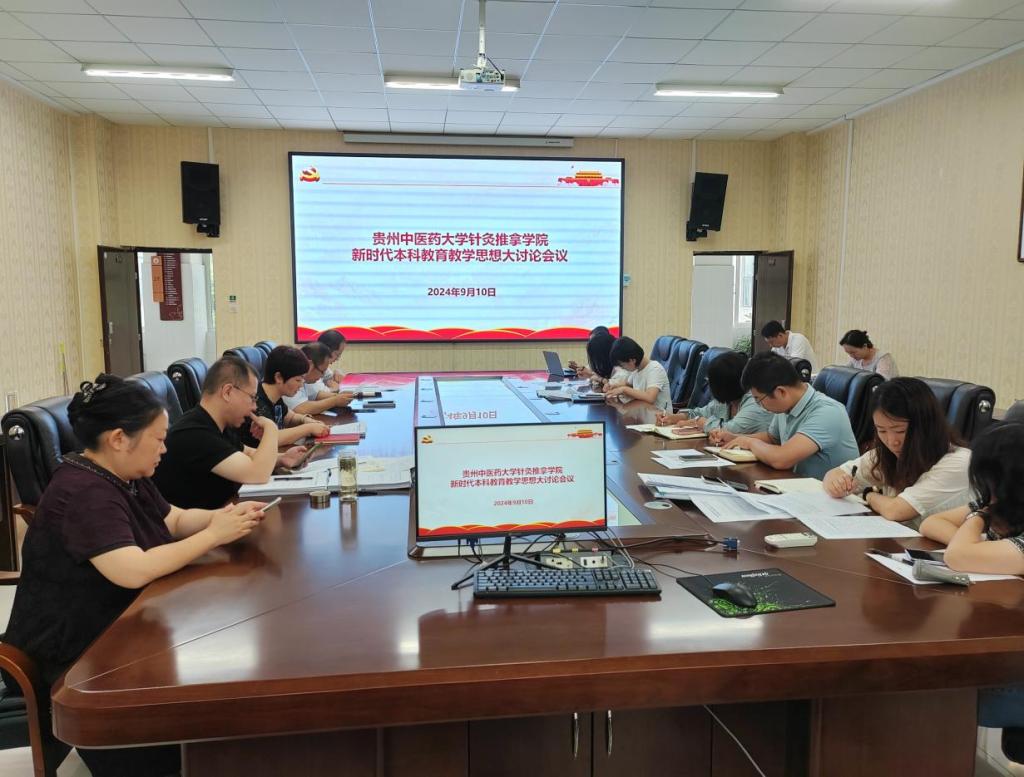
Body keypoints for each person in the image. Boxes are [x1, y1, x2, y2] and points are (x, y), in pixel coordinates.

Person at [1, 375, 268, 776]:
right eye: (158, 439)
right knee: (202, 742)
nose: (165, 448)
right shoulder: (83, 491)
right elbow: (132, 569)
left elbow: (173, 519)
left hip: (124, 629)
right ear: (118, 439)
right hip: (80, 661)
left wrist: (221, 517)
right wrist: (214, 536)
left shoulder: (124, 474)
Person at [919, 424, 1024, 742]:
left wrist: (978, 523)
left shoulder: (994, 508)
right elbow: (930, 523)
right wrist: (978, 545)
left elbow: (957, 555)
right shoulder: (1008, 507)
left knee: (933, 690)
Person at [154, 356, 311, 509]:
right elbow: (257, 474)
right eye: (252, 398)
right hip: (200, 523)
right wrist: (271, 429)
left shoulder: (217, 423)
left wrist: (283, 458)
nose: (254, 407)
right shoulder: (194, 433)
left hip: (224, 512)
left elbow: (248, 454)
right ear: (227, 392)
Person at [822, 378, 969, 528]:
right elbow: (833, 475)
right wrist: (837, 484)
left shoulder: (959, 462)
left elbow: (896, 511)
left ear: (926, 426)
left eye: (900, 431)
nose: (892, 441)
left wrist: (868, 494)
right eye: (882, 430)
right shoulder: (885, 455)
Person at [719, 352, 858, 479]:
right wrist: (735, 439)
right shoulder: (786, 406)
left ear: (781, 392)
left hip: (829, 494)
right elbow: (772, 438)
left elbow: (782, 459)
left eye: (758, 399)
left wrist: (749, 442)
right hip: (794, 485)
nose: (759, 405)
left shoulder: (827, 412)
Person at [654, 351, 772, 442]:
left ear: (724, 384)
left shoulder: (755, 402)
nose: (709, 386)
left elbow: (729, 430)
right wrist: (673, 417)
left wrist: (700, 422)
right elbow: (699, 413)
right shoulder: (728, 400)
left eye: (711, 381)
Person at [246, 345, 329, 447]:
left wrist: (306, 420)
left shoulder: (276, 396)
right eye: (298, 380)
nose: (301, 385)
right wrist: (309, 428)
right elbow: (272, 438)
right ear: (279, 377)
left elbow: (290, 417)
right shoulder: (256, 401)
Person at [283, 343, 354, 415]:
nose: (322, 376)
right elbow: (301, 409)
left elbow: (315, 395)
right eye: (322, 371)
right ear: (310, 365)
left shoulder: (306, 379)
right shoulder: (291, 376)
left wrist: (340, 396)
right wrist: (335, 401)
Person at [604, 336, 671, 413]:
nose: (623, 368)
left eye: (622, 365)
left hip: (660, 416)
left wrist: (623, 389)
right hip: (642, 413)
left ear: (632, 360)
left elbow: (650, 397)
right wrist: (613, 386)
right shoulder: (636, 369)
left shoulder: (655, 369)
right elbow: (628, 384)